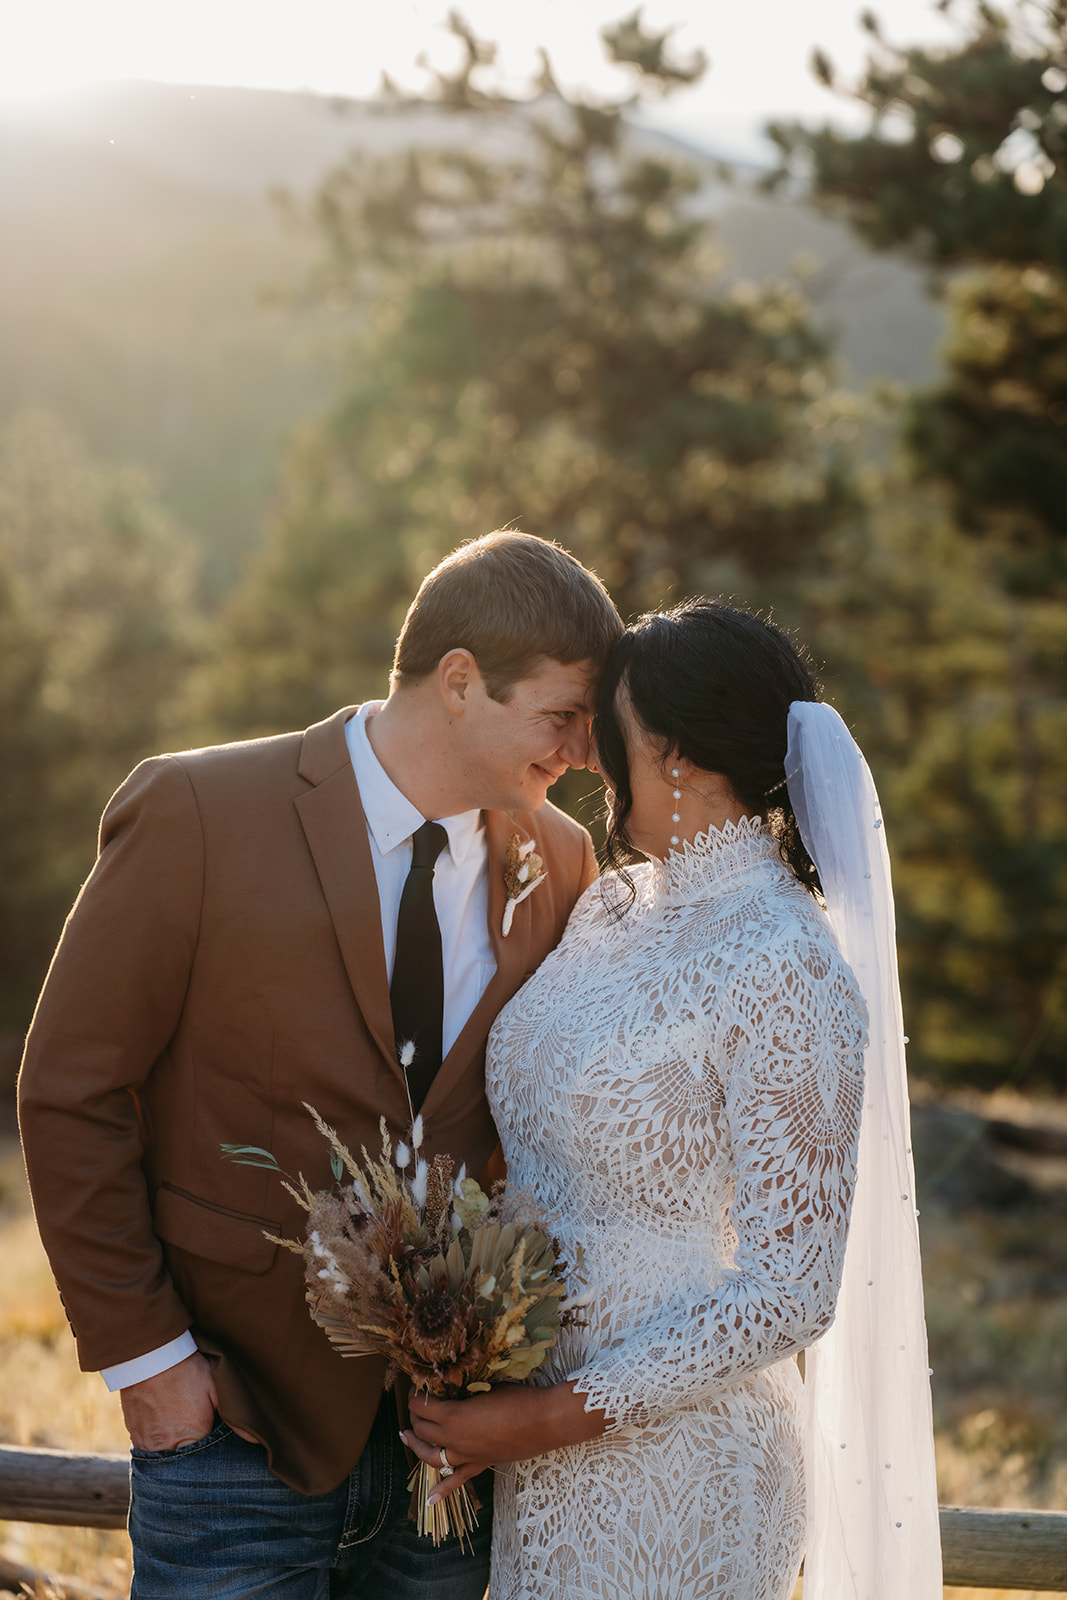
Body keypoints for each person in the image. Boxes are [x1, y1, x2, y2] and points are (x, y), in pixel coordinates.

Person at [18, 530, 623, 1600]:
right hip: (232, 1432)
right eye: (561, 715)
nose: (581, 751)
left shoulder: (561, 860)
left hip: (447, 1464)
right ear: (457, 682)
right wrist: (153, 1371)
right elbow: (72, 1089)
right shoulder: (198, 811)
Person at [405, 599, 942, 1600]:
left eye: (607, 730)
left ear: (677, 754)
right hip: (536, 1453)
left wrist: (551, 1412)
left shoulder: (786, 961)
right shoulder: (610, 906)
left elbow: (789, 1289)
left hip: (684, 1458)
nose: (588, 756)